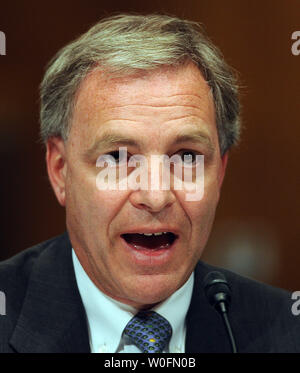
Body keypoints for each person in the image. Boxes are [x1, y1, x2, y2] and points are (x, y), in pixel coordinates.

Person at [0, 13, 299, 353]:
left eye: (186, 157)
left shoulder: (288, 333)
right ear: (60, 169)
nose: (156, 196)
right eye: (117, 158)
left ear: (220, 174)